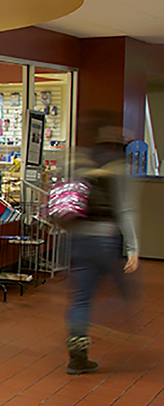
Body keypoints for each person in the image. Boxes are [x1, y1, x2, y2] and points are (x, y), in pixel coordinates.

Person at [64, 114, 139, 375]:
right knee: (124, 290)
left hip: (80, 238)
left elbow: (67, 199)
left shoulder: (79, 159)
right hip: (105, 237)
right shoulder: (118, 165)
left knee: (81, 298)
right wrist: (132, 247)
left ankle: (77, 352)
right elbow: (125, 208)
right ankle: (119, 319)